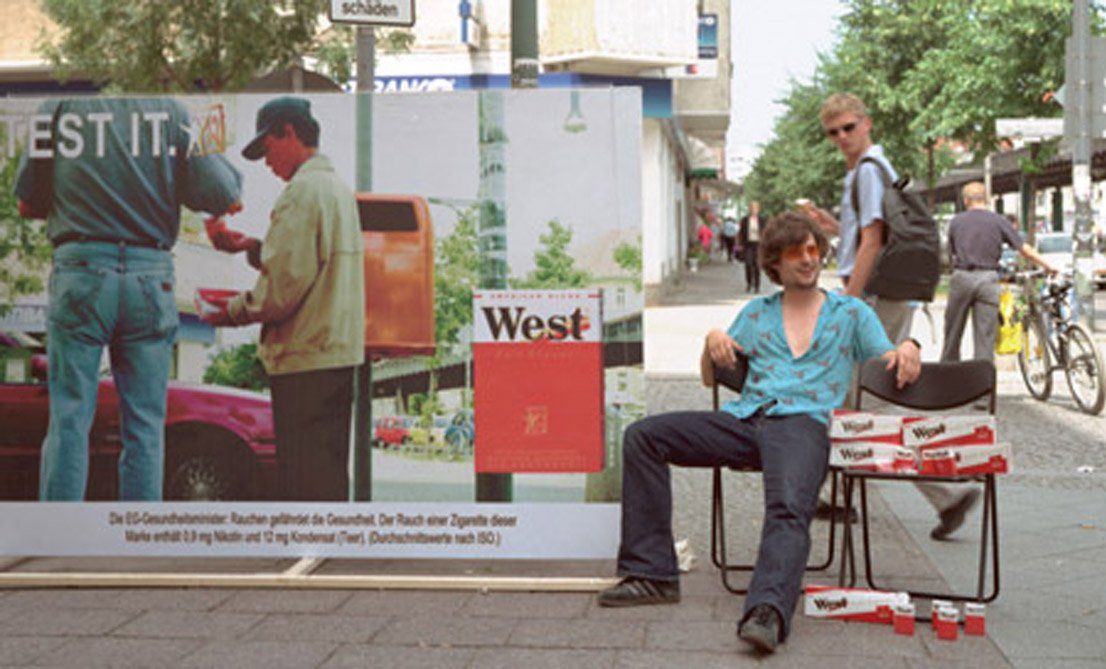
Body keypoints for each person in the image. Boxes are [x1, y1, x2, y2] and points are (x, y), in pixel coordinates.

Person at [597, 211, 921, 654]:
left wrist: (910, 346)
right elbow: (713, 379)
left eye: (813, 250)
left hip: (804, 424)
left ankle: (767, 610)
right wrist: (711, 341)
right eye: (795, 252)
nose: (808, 260)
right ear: (775, 262)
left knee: (789, 505)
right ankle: (651, 574)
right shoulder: (756, 313)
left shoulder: (850, 312)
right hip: (746, 419)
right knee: (643, 436)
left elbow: (888, 361)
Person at [14, 97, 242, 501]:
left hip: (81, 271)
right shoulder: (172, 114)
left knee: (69, 420)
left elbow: (26, 203)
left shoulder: (57, 110)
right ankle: (139, 540)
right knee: (145, 427)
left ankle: (57, 539)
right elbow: (224, 193)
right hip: (150, 279)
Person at [800, 93, 978, 540]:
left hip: (877, 297)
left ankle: (947, 492)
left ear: (866, 123)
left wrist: (848, 303)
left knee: (868, 399)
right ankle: (838, 494)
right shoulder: (873, 170)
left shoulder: (867, 171)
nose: (842, 137)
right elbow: (868, 233)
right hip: (886, 294)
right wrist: (831, 225)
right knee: (851, 397)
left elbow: (874, 241)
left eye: (848, 127)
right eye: (833, 132)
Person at [203, 97, 365, 501]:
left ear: (288, 133)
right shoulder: (336, 189)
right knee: (328, 474)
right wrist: (253, 248)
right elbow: (312, 265)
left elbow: (281, 291)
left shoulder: (301, 193)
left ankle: (305, 555)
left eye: (266, 149)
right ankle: (329, 555)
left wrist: (231, 311)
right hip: (337, 354)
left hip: (304, 360)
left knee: (303, 479)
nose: (266, 162)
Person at [943, 182, 1057, 362]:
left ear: (966, 200)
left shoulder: (956, 222)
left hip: (961, 277)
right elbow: (1023, 248)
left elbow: (950, 254)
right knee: (985, 339)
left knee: (952, 335)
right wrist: (1047, 265)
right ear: (986, 199)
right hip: (988, 279)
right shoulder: (998, 220)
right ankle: (983, 387)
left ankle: (948, 381)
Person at [738, 201, 764, 292]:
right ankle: (749, 283)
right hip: (748, 245)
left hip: (758, 244)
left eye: (755, 208)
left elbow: (766, 232)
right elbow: (741, 233)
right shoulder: (745, 220)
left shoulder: (762, 220)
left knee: (757, 265)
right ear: (749, 209)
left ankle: (757, 286)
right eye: (752, 208)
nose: (754, 210)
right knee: (748, 264)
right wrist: (740, 244)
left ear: (758, 209)